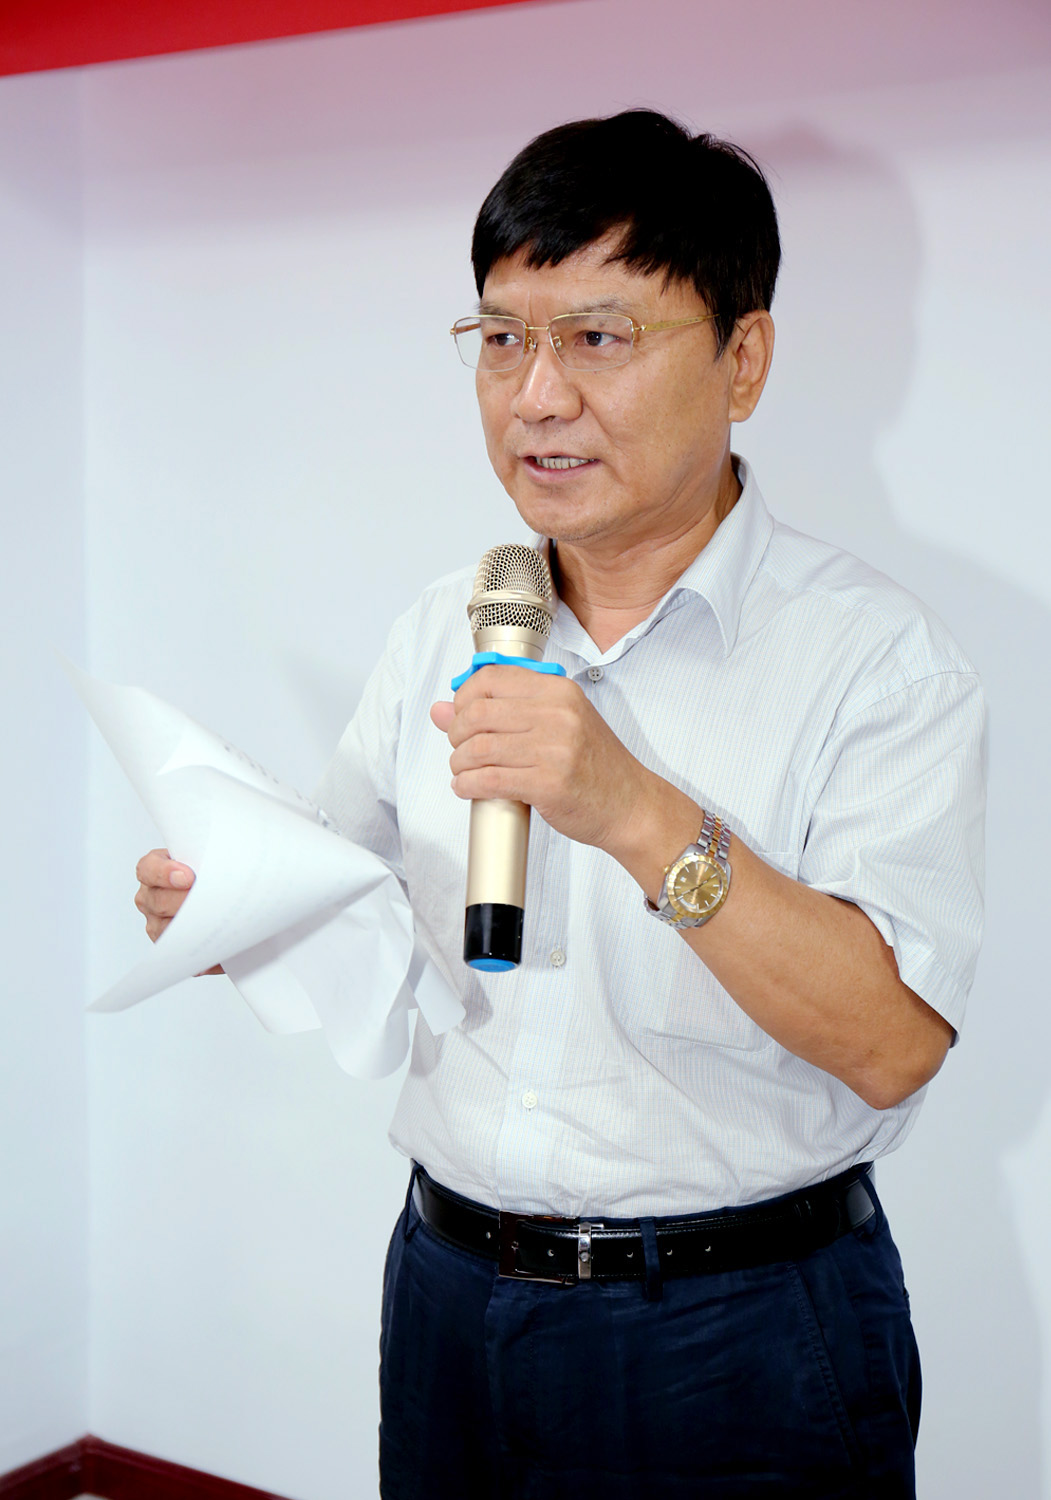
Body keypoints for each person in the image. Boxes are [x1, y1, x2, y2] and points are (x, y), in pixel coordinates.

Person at [135, 110, 985, 1498]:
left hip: (739, 1330)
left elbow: (894, 1046)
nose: (535, 396)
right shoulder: (450, 625)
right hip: (450, 1292)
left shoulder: (877, 659)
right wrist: (237, 908)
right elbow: (359, 907)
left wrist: (631, 808)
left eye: (596, 336)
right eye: (500, 338)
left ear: (744, 359)